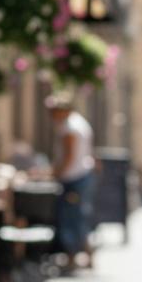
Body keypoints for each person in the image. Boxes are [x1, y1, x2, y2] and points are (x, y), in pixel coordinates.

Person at [46, 92, 95, 272]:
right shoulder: (78, 122)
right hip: (81, 175)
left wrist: (54, 174)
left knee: (70, 218)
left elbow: (68, 156)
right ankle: (87, 255)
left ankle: (73, 257)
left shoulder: (69, 127)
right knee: (79, 217)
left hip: (74, 177)